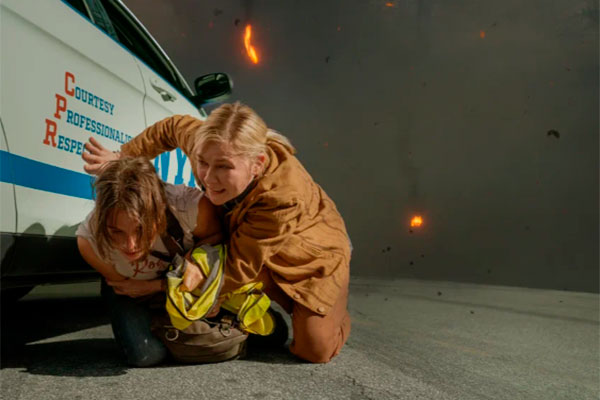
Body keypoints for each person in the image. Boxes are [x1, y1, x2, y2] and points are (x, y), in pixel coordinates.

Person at [82, 102, 352, 363]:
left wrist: (173, 288)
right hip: (252, 242)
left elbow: (239, 265)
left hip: (313, 255)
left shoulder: (283, 197)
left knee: (314, 350)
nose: (209, 178)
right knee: (211, 271)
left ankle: (331, 311)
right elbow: (170, 128)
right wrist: (123, 157)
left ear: (257, 164)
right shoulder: (208, 144)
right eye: (202, 163)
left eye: (224, 167)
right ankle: (269, 302)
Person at [76, 157, 221, 367]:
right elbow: (129, 289)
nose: (131, 245)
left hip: (176, 279)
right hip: (134, 292)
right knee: (147, 355)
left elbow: (219, 239)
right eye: (116, 232)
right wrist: (159, 290)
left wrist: (168, 282)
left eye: (140, 229)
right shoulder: (88, 241)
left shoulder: (190, 206)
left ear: (159, 211)